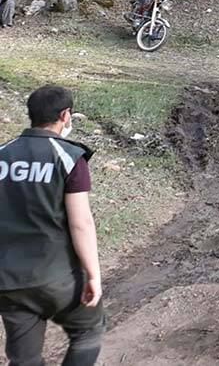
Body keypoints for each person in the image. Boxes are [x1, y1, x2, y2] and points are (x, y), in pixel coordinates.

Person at [0, 85, 104, 366]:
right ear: (65, 115)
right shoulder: (69, 157)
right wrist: (93, 275)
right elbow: (81, 222)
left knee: (25, 360)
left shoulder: (2, 154)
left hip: (9, 282)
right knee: (88, 332)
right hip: (58, 279)